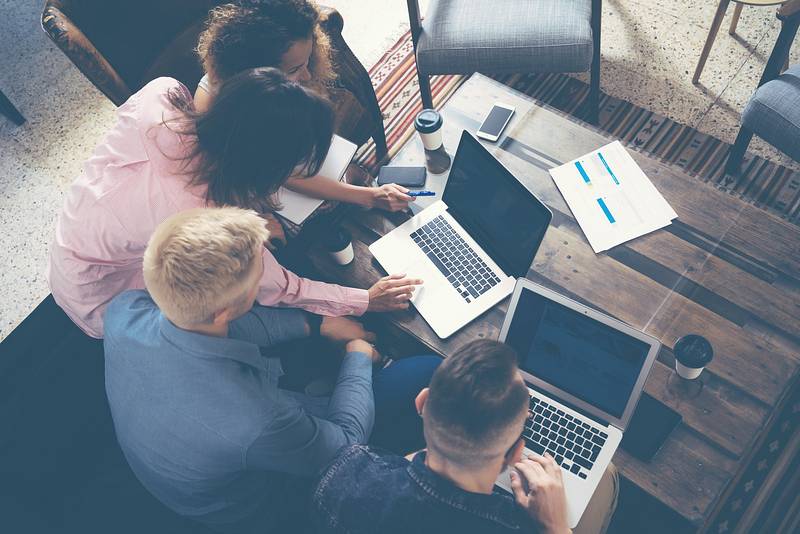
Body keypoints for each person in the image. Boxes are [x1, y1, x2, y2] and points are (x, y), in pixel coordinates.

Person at [103, 206, 440, 534]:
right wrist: (358, 354)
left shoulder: (122, 310)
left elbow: (222, 324)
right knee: (427, 369)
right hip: (262, 506)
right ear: (225, 309)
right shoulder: (257, 419)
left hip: (186, 446)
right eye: (258, 277)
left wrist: (316, 323)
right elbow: (347, 444)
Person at [48, 67, 420, 339]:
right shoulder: (209, 221)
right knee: (233, 303)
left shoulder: (163, 93)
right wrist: (366, 299)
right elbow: (280, 287)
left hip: (72, 240)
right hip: (106, 301)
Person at [311, 339, 619, 534]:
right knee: (607, 476)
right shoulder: (520, 525)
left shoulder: (347, 469)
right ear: (515, 456)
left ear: (422, 402)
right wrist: (556, 527)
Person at [195, 0, 413, 220]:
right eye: (295, 69)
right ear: (257, 72)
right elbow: (285, 174)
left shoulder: (276, 89)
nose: (308, 76)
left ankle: (344, 176)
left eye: (308, 60)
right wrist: (369, 196)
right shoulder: (220, 110)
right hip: (264, 177)